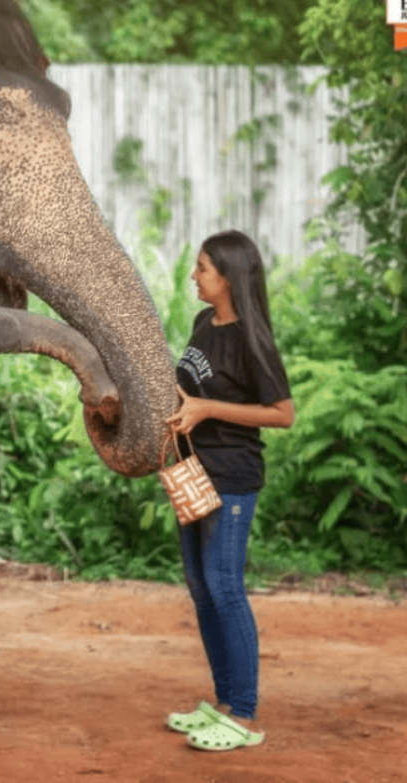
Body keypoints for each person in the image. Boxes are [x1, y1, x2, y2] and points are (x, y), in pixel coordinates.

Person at [164, 230, 295, 752]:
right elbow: (188, 392)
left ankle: (242, 713)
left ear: (228, 278)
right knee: (200, 587)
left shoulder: (251, 340)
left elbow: (283, 414)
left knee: (225, 586)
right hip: (194, 472)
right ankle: (222, 703)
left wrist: (208, 410)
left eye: (202, 269)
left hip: (233, 478)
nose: (194, 276)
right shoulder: (203, 324)